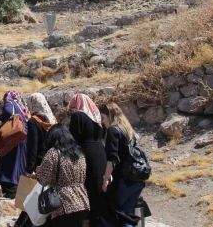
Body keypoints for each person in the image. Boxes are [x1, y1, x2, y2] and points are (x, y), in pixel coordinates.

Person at [101, 103, 145, 227]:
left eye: (103, 118)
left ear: (110, 116)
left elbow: (112, 158)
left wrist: (105, 180)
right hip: (135, 178)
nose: (102, 122)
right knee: (128, 214)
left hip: (122, 180)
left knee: (118, 214)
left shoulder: (112, 130)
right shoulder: (127, 129)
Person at [36, 124, 90, 227]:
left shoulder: (53, 153)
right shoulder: (79, 153)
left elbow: (44, 179)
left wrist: (38, 170)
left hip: (63, 203)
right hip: (82, 201)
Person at [69, 94, 110, 227]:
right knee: (98, 188)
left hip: (87, 154)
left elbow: (73, 139)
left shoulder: (78, 116)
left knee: (88, 189)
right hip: (100, 153)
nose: (71, 108)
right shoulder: (96, 115)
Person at [0, 91, 28, 198]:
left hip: (12, 137)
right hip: (19, 138)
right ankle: (16, 188)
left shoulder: (10, 103)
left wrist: (3, 117)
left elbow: (8, 112)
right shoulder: (20, 106)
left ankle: (10, 189)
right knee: (17, 162)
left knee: (9, 162)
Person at [26, 93, 56, 173]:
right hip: (53, 161)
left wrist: (29, 168)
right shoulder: (53, 119)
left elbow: (33, 146)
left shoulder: (33, 121)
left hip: (39, 163)